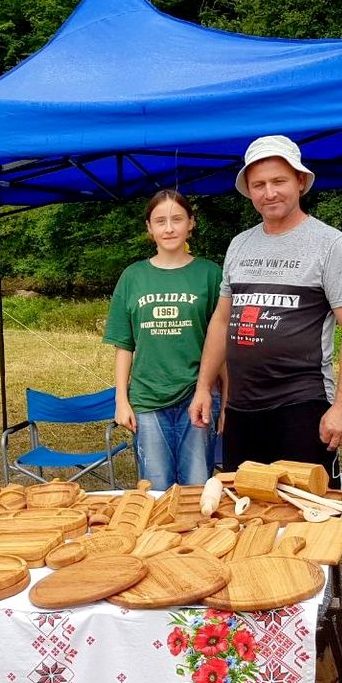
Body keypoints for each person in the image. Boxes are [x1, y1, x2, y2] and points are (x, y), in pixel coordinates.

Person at [188, 135, 342, 486]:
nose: (269, 193)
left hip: (302, 406)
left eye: (278, 181)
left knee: (307, 512)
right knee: (246, 506)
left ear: (300, 182)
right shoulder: (239, 245)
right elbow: (222, 321)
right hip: (241, 408)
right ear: (249, 191)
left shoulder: (330, 244)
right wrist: (203, 388)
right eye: (259, 185)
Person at [103, 189, 223, 490]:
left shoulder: (210, 274)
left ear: (190, 223)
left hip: (197, 396)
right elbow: (124, 345)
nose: (169, 228)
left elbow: (220, 344)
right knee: (155, 489)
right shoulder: (132, 277)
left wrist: (228, 401)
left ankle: (199, 539)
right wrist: (121, 400)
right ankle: (158, 539)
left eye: (177, 219)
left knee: (197, 486)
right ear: (149, 228)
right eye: (160, 221)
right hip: (146, 400)